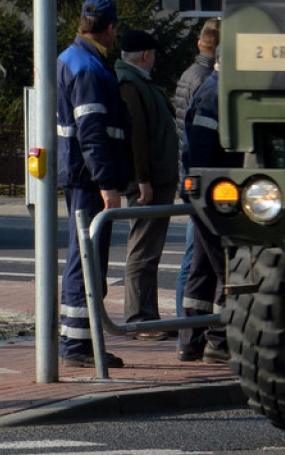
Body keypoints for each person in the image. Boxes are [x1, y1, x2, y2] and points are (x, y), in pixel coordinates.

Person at [57, 0, 130, 368]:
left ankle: (80, 341)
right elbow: (92, 132)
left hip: (80, 175)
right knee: (85, 258)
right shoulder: (88, 67)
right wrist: (107, 183)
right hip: (89, 179)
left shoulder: (74, 58)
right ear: (110, 28)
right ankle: (77, 346)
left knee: (84, 256)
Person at [116, 29, 179, 338]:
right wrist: (143, 180)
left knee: (149, 251)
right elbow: (137, 135)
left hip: (156, 177)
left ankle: (146, 316)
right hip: (149, 181)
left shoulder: (138, 81)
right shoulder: (130, 82)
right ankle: (139, 318)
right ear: (146, 55)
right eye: (153, 54)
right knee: (142, 251)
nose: (154, 59)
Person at [177, 52, 232, 364]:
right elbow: (202, 151)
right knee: (226, 269)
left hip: (204, 195)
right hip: (215, 198)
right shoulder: (216, 94)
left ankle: (190, 340)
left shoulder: (211, 90)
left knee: (201, 270)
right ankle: (218, 341)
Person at [172, 18, 220, 317]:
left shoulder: (191, 73)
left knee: (194, 257)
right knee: (195, 258)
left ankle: (185, 325)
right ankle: (185, 323)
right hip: (199, 177)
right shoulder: (206, 79)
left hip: (188, 171)